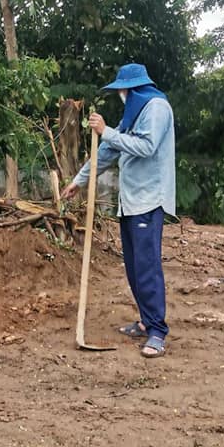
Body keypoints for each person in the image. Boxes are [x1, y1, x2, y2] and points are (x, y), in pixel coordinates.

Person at [62, 63, 176, 358]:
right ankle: (145, 320)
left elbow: (147, 147)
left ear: (133, 88)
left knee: (147, 267)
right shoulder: (133, 114)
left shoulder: (157, 108)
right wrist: (79, 181)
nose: (121, 95)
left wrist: (106, 131)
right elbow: (109, 152)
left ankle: (157, 332)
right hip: (130, 201)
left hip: (149, 200)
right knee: (134, 267)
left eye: (122, 90)